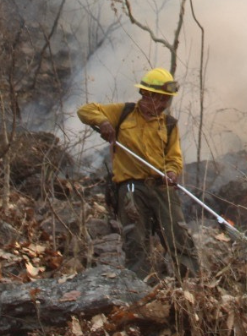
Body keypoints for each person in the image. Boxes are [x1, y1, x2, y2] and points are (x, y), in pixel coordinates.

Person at [78, 67, 200, 281]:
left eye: (166, 100)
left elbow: (174, 157)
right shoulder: (123, 113)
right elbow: (85, 111)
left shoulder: (169, 124)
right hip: (131, 189)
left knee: (178, 234)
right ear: (146, 94)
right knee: (136, 239)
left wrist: (172, 172)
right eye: (160, 98)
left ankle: (190, 284)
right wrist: (103, 122)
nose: (163, 104)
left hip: (162, 187)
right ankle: (140, 288)